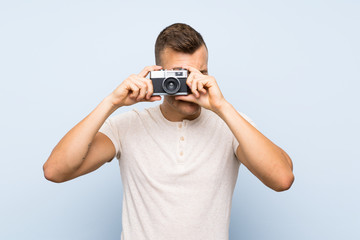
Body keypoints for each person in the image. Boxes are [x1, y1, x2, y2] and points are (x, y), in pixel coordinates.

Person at [43, 23, 294, 240]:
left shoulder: (230, 125)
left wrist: (222, 106)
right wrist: (112, 102)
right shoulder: (127, 126)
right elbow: (55, 170)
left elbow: (282, 179)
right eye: (179, 76)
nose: (187, 85)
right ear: (159, 75)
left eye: (199, 74)